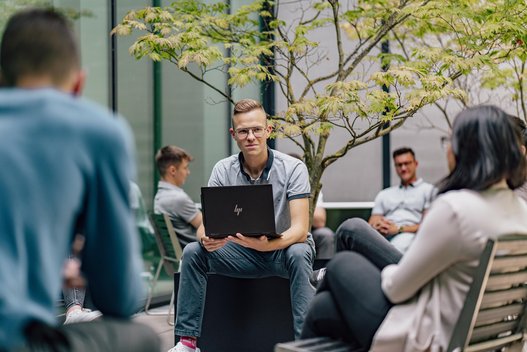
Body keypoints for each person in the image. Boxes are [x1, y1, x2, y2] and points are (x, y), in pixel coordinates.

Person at [301, 104, 527, 351]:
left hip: (431, 338)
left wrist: (383, 272)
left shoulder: (456, 208)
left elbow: (397, 289)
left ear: (469, 150)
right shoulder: (521, 211)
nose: (448, 150)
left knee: (341, 265)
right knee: (325, 308)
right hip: (476, 335)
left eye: (451, 141)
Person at [0, 8, 159, 352]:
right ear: (77, 84)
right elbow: (119, 295)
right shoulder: (97, 131)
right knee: (141, 337)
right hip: (16, 339)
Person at [170, 99, 315, 352]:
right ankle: (187, 343)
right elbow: (204, 226)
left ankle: (306, 344)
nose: (251, 137)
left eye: (257, 129)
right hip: (240, 253)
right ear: (233, 134)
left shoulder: (293, 168)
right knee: (193, 251)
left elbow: (300, 230)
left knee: (300, 251)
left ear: (268, 131)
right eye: (243, 131)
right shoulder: (222, 169)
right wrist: (206, 238)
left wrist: (267, 245)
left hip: (282, 251)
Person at [338, 147, 435, 255]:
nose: (403, 168)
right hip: (382, 238)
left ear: (416, 164)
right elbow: (372, 223)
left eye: (407, 163)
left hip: (409, 237)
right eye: (399, 165)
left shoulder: (429, 191)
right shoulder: (384, 194)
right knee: (351, 228)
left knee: (401, 243)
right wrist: (379, 226)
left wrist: (398, 229)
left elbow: (428, 225)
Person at [288, 153, 336, 260]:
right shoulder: (275, 184)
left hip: (308, 230)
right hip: (282, 232)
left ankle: (322, 272)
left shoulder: (309, 186)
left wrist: (298, 201)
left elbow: (320, 222)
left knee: (325, 235)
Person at [154, 145, 201, 248]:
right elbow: (209, 226)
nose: (188, 172)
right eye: (185, 168)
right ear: (173, 171)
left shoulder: (160, 197)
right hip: (196, 256)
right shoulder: (178, 199)